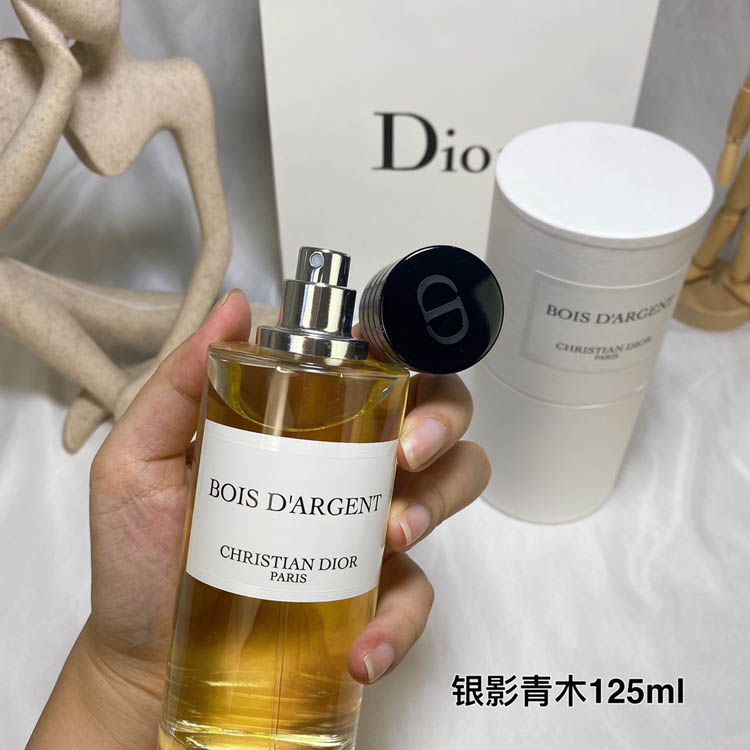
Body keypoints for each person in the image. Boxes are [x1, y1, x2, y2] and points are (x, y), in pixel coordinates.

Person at [26, 290, 490, 748]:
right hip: (190, 709)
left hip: (303, 718)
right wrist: (123, 674)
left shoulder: (382, 384)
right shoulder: (237, 364)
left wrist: (117, 677)